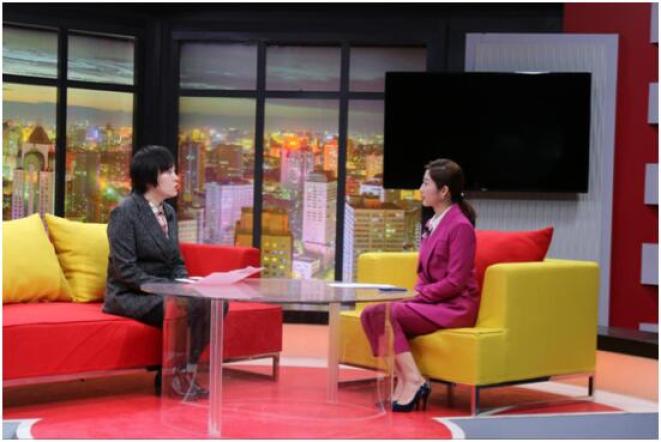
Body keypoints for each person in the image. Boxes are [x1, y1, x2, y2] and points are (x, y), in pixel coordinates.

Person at [360, 158, 479, 412]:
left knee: (384, 313)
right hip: (434, 301)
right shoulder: (433, 223)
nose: (420, 189)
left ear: (444, 191)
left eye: (426, 184)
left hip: (454, 306)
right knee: (370, 313)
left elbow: (456, 282)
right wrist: (415, 294)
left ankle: (413, 380)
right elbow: (424, 273)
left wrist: (417, 295)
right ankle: (407, 378)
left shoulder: (461, 227)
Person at [103, 145, 213, 401]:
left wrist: (184, 281)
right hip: (131, 294)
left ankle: (184, 370)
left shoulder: (169, 213)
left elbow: (176, 261)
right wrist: (171, 289)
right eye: (169, 172)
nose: (176, 177)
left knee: (216, 304)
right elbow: (126, 271)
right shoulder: (124, 213)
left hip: (164, 290)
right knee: (187, 306)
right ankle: (172, 375)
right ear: (150, 177)